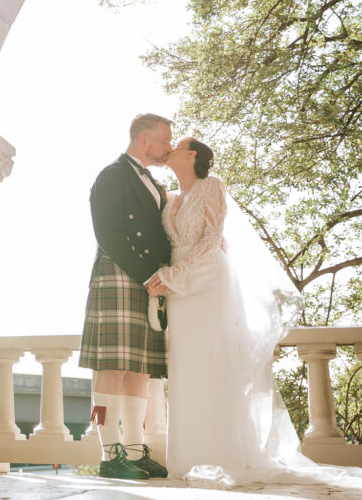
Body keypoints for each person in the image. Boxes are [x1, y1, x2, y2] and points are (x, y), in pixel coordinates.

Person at [146, 137, 362, 488]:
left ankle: (224, 454)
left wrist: (175, 275)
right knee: (187, 368)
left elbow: (211, 237)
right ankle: (187, 457)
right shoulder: (169, 198)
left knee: (215, 363)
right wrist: (168, 278)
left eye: (179, 142)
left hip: (207, 282)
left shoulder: (211, 186)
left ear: (192, 154)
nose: (170, 146)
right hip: (179, 292)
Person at [78, 113, 173, 479]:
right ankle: (108, 453)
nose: (169, 147)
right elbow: (107, 231)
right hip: (120, 272)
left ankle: (133, 451)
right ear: (144, 139)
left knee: (140, 370)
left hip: (148, 280)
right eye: (165, 140)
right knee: (111, 367)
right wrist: (146, 272)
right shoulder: (112, 174)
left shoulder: (152, 181)